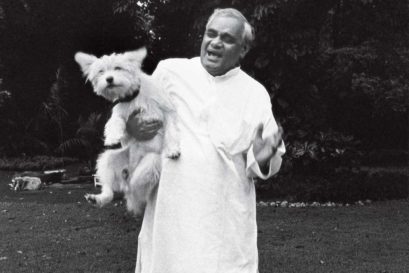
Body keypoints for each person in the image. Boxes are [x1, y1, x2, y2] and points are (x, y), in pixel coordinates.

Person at [127, 8, 285, 273]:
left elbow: (268, 160)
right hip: (171, 219)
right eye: (210, 34)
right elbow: (136, 121)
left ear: (243, 50)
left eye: (227, 38)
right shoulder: (170, 72)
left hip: (224, 225)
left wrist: (262, 158)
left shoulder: (255, 94)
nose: (215, 42)